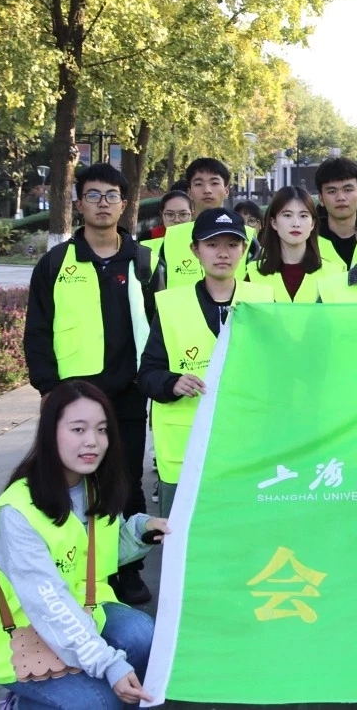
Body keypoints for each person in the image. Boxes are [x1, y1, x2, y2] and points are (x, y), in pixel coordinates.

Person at [0, 380, 167, 709]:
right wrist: (109, 664)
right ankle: (21, 704)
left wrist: (141, 531)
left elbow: (96, 553)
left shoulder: (93, 488)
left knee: (143, 635)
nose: (92, 441)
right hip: (22, 631)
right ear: (50, 433)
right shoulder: (17, 512)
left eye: (102, 429)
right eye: (78, 429)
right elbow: (49, 604)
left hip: (83, 609)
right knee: (98, 702)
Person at [23, 162, 155, 606]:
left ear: (124, 204)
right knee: (72, 480)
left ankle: (127, 569)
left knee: (127, 479)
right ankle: (73, 566)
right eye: (93, 195)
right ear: (79, 204)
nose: (103, 203)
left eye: (111, 196)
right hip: (74, 396)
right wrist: (48, 389)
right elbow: (37, 330)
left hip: (130, 392)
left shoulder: (142, 261)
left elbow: (161, 323)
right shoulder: (56, 263)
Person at [138, 209, 273, 516]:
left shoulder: (264, 301)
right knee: (182, 537)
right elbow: (147, 375)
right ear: (195, 250)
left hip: (246, 449)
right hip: (185, 452)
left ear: (244, 250)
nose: (223, 253)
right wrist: (173, 383)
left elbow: (279, 372)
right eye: (212, 245)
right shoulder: (171, 305)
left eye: (232, 245)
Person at [154, 158, 240, 290]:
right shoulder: (171, 238)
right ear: (189, 192)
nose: (207, 190)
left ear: (226, 191)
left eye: (214, 183)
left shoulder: (247, 237)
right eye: (199, 184)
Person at [247, 187, 340, 303]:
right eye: (287, 215)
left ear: (312, 223)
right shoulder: (253, 274)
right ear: (274, 222)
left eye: (303, 216)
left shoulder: (335, 274)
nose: (296, 223)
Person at [315, 156, 357, 270]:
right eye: (332, 191)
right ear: (321, 199)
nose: (341, 197)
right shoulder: (308, 239)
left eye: (348, 190)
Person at [141, 190, 193, 276]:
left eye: (183, 214)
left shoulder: (201, 238)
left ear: (192, 214)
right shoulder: (148, 238)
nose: (177, 220)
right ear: (162, 214)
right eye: (170, 214)